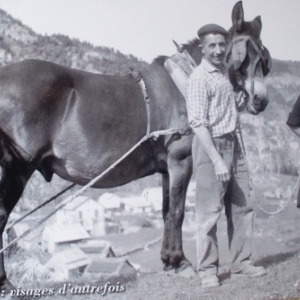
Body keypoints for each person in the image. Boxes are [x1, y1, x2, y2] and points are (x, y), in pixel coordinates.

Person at [185, 24, 267, 288]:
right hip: (212, 147)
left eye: (222, 45)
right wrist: (218, 159)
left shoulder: (223, 75)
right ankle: (208, 271)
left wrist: (248, 102)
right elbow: (198, 123)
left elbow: (228, 108)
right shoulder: (199, 78)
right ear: (203, 49)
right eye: (213, 46)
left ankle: (242, 264)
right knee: (209, 212)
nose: (219, 50)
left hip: (234, 144)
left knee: (243, 207)